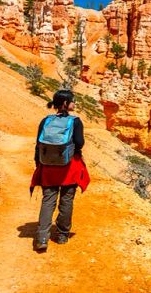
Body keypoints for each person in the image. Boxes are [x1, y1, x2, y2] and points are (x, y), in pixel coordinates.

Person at [30, 89, 90, 252]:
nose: (74, 103)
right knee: (66, 200)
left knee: (48, 200)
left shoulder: (46, 120)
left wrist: (39, 164)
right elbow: (79, 143)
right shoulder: (75, 121)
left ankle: (42, 237)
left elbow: (38, 144)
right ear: (65, 103)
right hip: (69, 167)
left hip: (48, 167)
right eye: (72, 101)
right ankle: (62, 234)